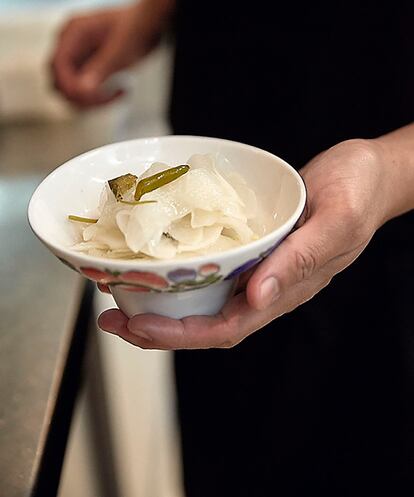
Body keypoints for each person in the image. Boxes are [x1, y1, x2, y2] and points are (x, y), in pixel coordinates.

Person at [52, 1, 414, 495]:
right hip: (226, 102)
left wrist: (391, 170)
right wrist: (153, 12)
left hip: (386, 185)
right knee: (231, 445)